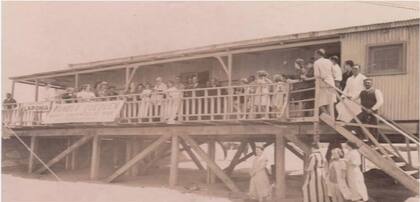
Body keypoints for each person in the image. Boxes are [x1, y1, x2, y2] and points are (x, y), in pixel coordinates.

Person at [314, 49, 336, 115]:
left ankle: (328, 117)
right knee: (330, 102)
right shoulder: (329, 61)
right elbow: (334, 73)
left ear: (318, 54)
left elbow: (317, 75)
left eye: (315, 54)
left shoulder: (316, 63)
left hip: (322, 84)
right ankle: (331, 118)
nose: (315, 56)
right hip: (331, 82)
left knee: (320, 102)